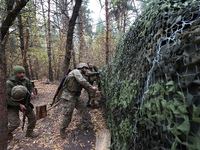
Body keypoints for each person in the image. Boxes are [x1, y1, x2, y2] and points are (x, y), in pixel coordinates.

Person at [59, 63, 98, 139]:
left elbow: (86, 86)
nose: (86, 70)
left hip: (75, 96)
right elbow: (82, 81)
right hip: (68, 97)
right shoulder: (76, 72)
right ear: (81, 68)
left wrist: (96, 92)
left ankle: (84, 125)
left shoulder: (81, 76)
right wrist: (92, 87)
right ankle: (62, 130)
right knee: (68, 115)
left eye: (87, 68)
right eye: (85, 68)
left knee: (84, 109)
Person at [6, 65, 38, 140]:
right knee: (15, 123)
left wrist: (32, 92)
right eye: (19, 73)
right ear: (15, 73)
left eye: (23, 72)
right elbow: (6, 98)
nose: (22, 74)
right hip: (12, 104)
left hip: (24, 102)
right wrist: (18, 104)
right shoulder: (9, 83)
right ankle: (6, 133)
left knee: (33, 117)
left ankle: (29, 132)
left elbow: (30, 87)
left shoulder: (25, 80)